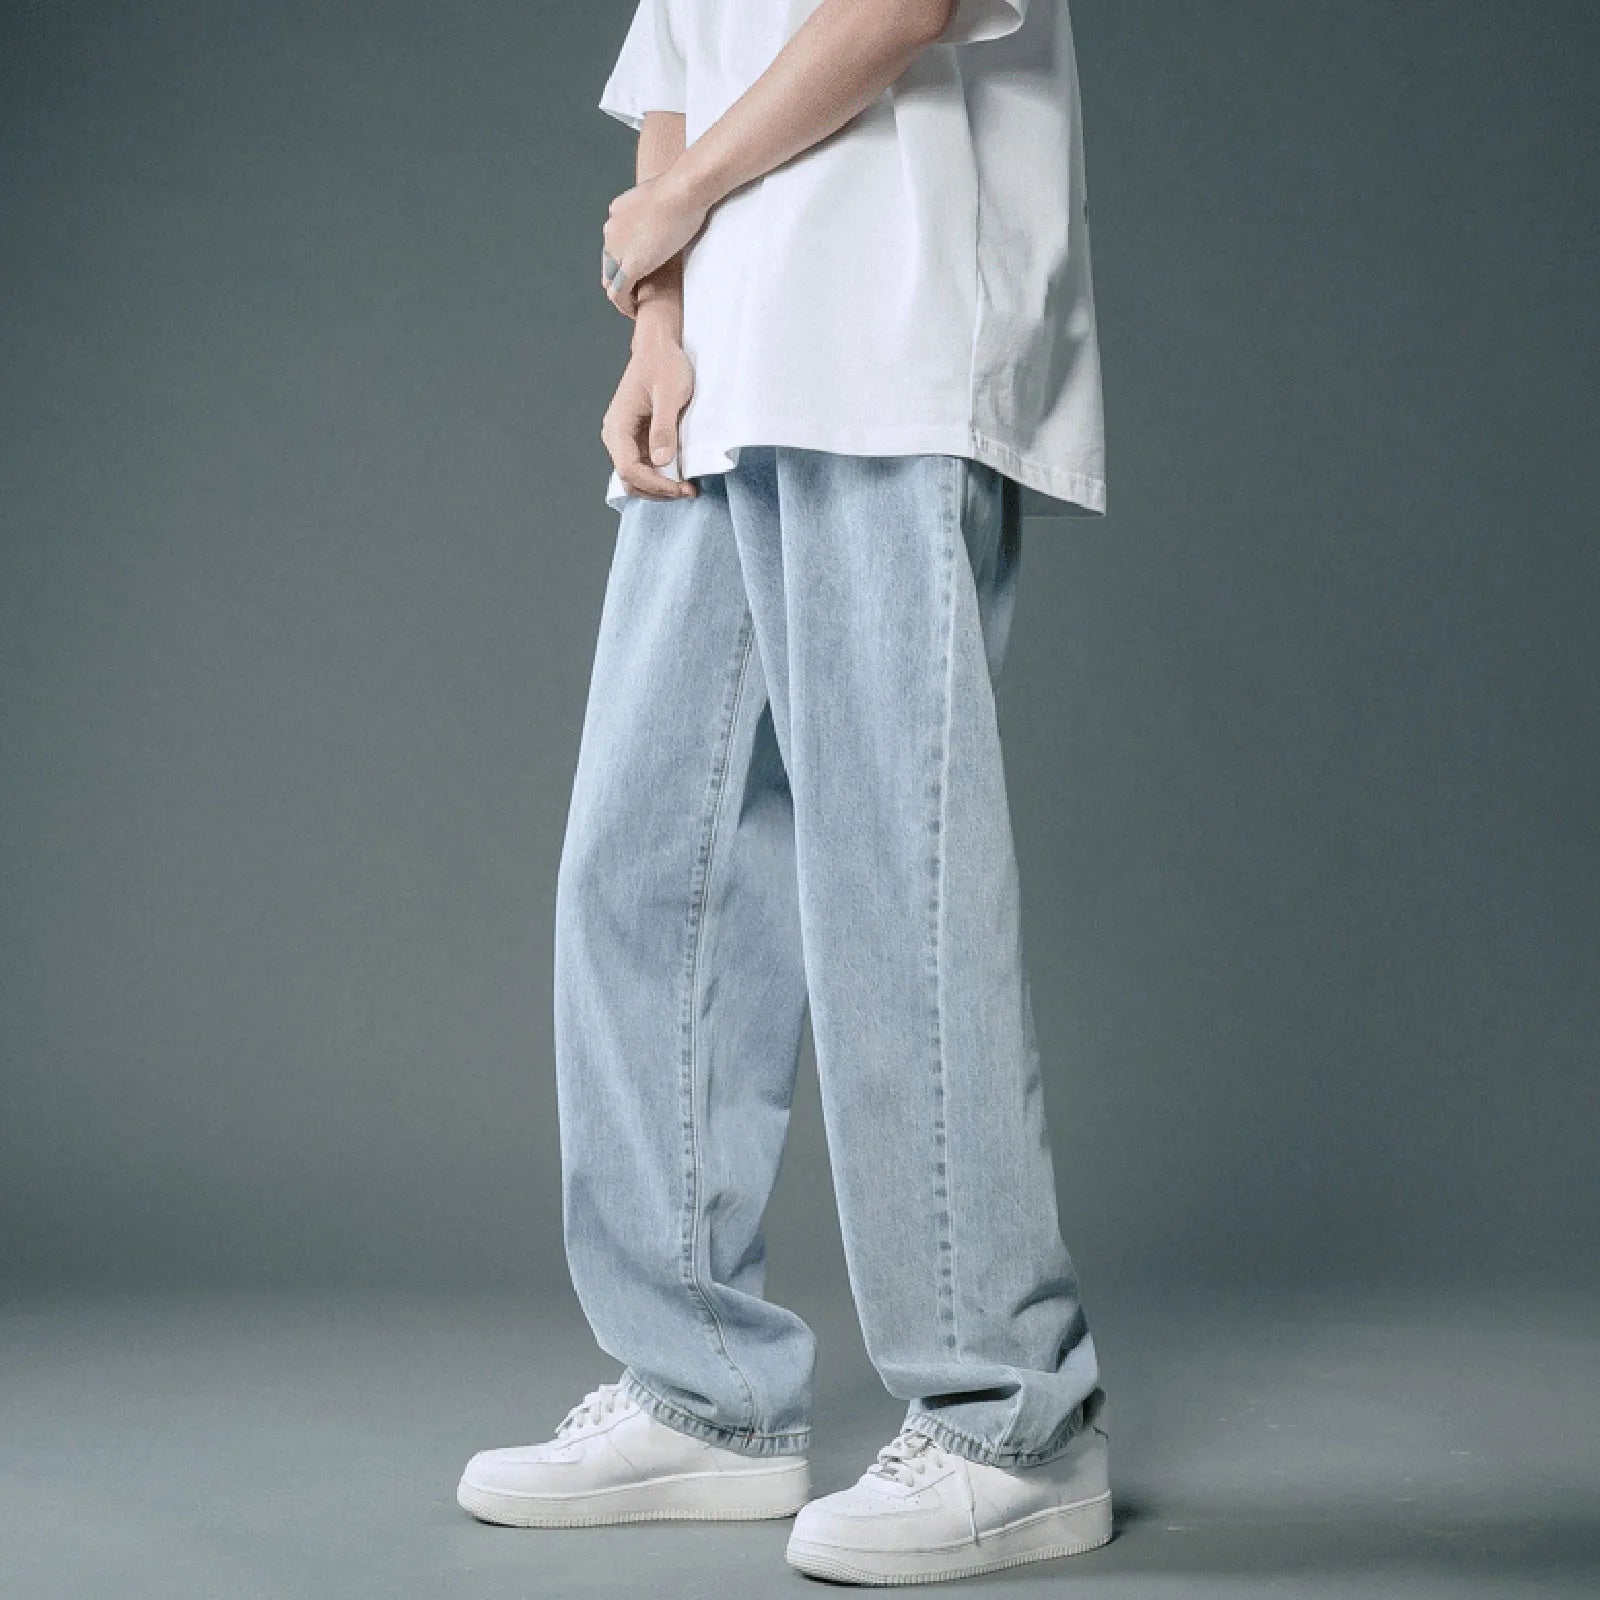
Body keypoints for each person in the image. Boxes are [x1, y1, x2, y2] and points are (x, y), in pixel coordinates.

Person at [457, 0, 1113, 1583]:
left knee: (896, 879)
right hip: (725, 371)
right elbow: (676, 68)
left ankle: (1013, 1422)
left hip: (889, 346)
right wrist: (657, 324)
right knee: (641, 870)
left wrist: (680, 204)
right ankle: (702, 1392)